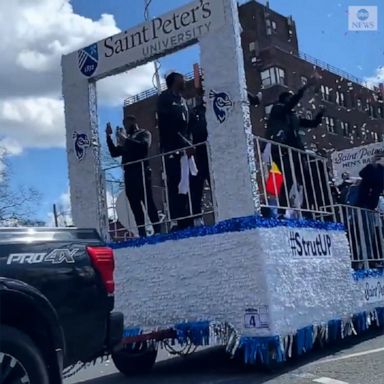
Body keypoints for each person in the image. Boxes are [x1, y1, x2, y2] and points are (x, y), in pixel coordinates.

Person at [266, 74, 325, 215]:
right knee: (287, 180)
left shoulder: (294, 117)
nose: (292, 101)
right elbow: (290, 105)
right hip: (284, 152)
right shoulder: (277, 110)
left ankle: (309, 210)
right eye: (289, 98)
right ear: (284, 100)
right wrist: (304, 88)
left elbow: (312, 123)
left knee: (306, 180)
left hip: (297, 152)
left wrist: (320, 114)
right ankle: (282, 210)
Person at [106, 115, 160, 237]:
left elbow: (143, 147)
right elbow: (115, 152)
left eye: (127, 123)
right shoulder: (127, 139)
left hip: (141, 171)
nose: (125, 126)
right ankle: (142, 232)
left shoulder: (143, 133)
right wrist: (108, 137)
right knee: (135, 205)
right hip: (129, 173)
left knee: (148, 202)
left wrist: (125, 140)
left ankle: (157, 229)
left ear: (133, 122)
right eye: (124, 123)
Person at [157, 72, 194, 230]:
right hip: (172, 148)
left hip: (186, 149)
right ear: (174, 81)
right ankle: (176, 221)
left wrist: (190, 142)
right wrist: (182, 142)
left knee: (186, 182)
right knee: (174, 184)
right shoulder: (164, 98)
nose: (184, 81)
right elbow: (168, 125)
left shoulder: (184, 102)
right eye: (181, 79)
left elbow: (188, 124)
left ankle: (187, 218)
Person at [189, 99, 210, 221]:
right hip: (199, 153)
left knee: (215, 184)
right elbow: (190, 131)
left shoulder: (215, 105)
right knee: (196, 188)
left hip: (213, 153)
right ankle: (197, 218)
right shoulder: (195, 112)